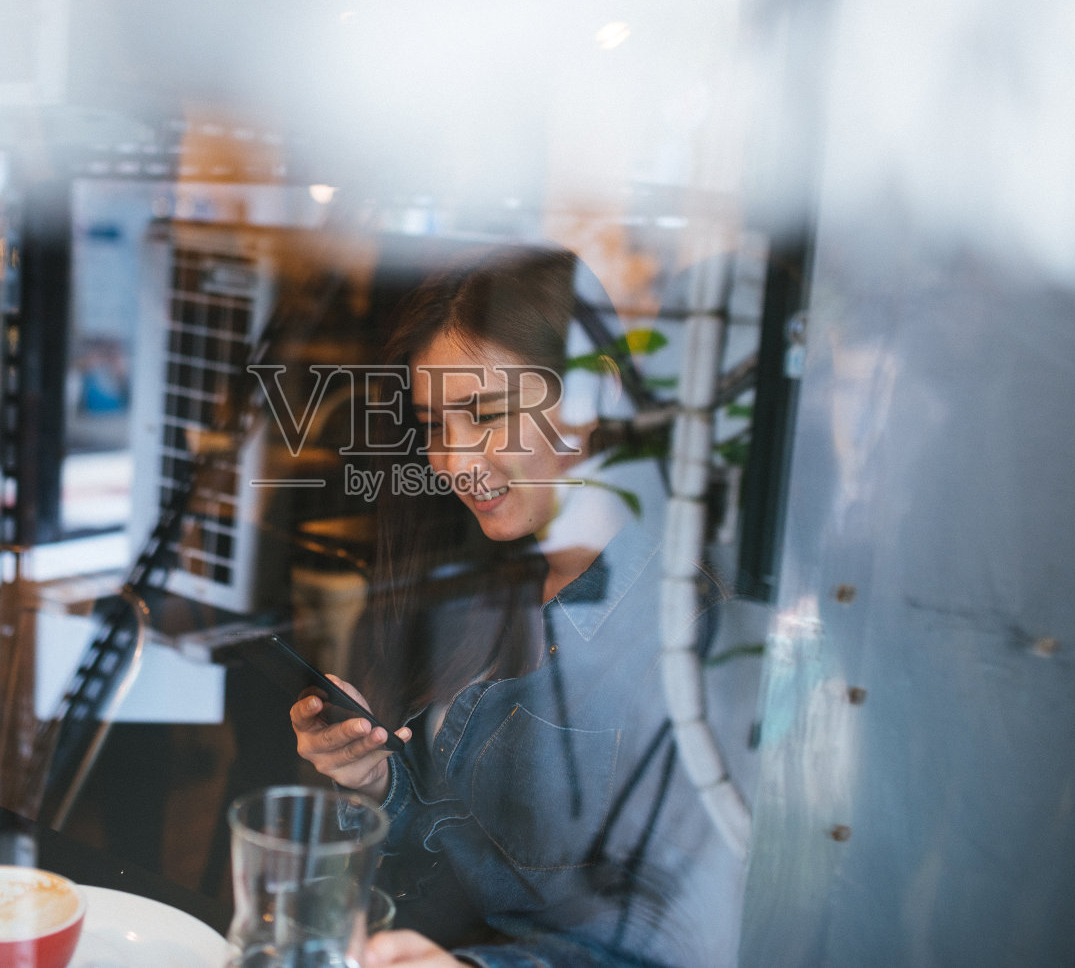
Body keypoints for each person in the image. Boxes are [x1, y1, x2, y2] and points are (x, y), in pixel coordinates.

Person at [290, 245, 744, 967]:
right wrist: (375, 782)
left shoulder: (692, 629)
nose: (454, 461)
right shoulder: (478, 578)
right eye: (437, 425)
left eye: (486, 414)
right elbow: (472, 841)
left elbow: (684, 944)